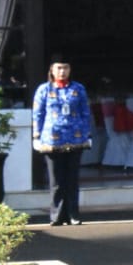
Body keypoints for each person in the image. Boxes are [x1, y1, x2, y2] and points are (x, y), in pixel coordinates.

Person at [31, 54, 93, 226]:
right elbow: (38, 114)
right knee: (56, 181)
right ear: (52, 69)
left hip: (76, 138)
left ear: (70, 70)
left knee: (72, 179)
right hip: (52, 140)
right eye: (59, 68)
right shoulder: (44, 90)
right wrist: (36, 136)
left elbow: (85, 113)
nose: (62, 71)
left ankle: (73, 214)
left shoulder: (78, 89)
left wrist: (88, 134)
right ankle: (57, 215)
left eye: (65, 68)